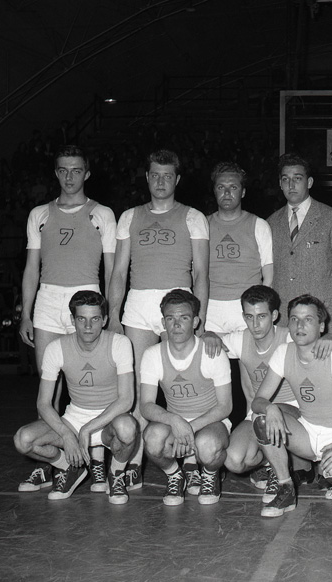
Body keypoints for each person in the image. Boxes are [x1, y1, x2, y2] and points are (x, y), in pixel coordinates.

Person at [108, 150, 210, 486]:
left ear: (177, 179)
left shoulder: (193, 217)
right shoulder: (129, 216)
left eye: (167, 175)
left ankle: (190, 462)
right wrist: (113, 316)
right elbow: (119, 272)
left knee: (182, 388)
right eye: (155, 175)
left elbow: (201, 274)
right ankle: (135, 463)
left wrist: (200, 318)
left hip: (178, 305)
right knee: (141, 390)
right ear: (147, 177)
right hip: (138, 305)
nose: (161, 181)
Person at [18, 145, 117, 487]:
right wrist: (26, 314)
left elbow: (112, 270)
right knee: (50, 385)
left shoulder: (102, 213)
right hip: (48, 300)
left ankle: (97, 459)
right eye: (63, 170)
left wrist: (110, 312)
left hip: (87, 299)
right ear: (56, 173)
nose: (69, 176)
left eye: (76, 170)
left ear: (86, 173)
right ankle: (53, 462)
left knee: (94, 381)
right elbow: (31, 269)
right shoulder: (39, 214)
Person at [202, 285, 332, 502]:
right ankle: (272, 460)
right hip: (260, 410)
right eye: (249, 316)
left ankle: (279, 473)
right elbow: (206, 345)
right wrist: (208, 335)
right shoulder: (239, 340)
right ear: (243, 317)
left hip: (296, 412)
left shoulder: (289, 337)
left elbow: (322, 341)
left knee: (264, 417)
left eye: (262, 316)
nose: (255, 324)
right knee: (234, 460)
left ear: (274, 315)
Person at [251, 294, 332, 516]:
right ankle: (285, 487)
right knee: (260, 420)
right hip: (307, 432)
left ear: (321, 326)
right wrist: (270, 408)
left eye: (308, 319)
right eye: (294, 319)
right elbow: (258, 400)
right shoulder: (284, 352)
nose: (300, 325)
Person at [13, 291, 138, 503]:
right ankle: (70, 467)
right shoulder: (56, 348)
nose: (88, 326)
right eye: (81, 319)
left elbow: (126, 400)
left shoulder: (119, 343)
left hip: (109, 421)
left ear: (105, 320)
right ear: (72, 320)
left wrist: (88, 428)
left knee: (127, 428)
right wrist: (67, 434)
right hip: (74, 418)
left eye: (95, 319)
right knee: (23, 440)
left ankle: (116, 474)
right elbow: (43, 403)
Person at [140, 290, 232, 506]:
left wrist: (189, 429)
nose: (176, 324)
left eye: (184, 318)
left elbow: (225, 406)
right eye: (170, 318)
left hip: (211, 422)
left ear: (195, 322)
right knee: (152, 439)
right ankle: (175, 475)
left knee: (207, 445)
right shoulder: (152, 354)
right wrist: (174, 420)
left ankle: (210, 474)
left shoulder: (212, 353)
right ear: (163, 322)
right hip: (176, 422)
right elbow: (146, 405)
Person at [268, 153, 332, 333]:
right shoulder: (270, 223)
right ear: (280, 184)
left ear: (309, 182)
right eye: (285, 179)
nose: (291, 185)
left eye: (297, 178)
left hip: (322, 317)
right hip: (284, 320)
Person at [205, 162, 273, 333]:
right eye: (221, 187)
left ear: (243, 192)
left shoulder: (259, 225)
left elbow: (269, 274)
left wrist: (257, 307)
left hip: (247, 307)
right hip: (210, 308)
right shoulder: (202, 224)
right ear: (214, 191)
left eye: (233, 187)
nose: (227, 193)